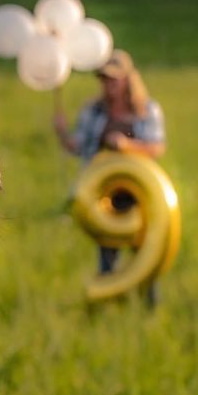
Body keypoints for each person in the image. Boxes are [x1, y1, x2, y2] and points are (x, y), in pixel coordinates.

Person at [53, 49, 166, 305]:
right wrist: (62, 133)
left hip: (140, 192)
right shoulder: (93, 111)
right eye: (104, 79)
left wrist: (127, 146)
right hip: (105, 193)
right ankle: (107, 304)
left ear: (128, 79)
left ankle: (150, 306)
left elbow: (157, 147)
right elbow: (78, 146)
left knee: (146, 249)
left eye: (114, 78)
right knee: (107, 251)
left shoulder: (147, 110)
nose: (108, 84)